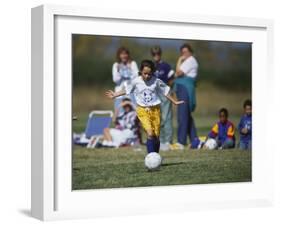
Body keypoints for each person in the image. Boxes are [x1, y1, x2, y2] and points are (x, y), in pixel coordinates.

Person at [106, 59, 184, 153]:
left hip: (155, 110)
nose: (147, 76)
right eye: (144, 73)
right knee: (150, 133)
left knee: (156, 136)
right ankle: (150, 156)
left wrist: (174, 101)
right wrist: (115, 94)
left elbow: (166, 91)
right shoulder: (136, 81)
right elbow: (126, 90)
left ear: (153, 73)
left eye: (149, 74)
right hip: (142, 110)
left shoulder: (156, 81)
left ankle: (155, 155)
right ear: (140, 72)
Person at [171, 43, 198, 150]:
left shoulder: (190, 60)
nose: (184, 54)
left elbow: (178, 73)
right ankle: (194, 140)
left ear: (190, 52)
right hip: (183, 88)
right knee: (187, 115)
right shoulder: (188, 61)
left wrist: (179, 60)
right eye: (182, 52)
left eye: (186, 52)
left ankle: (181, 142)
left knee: (182, 115)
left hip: (185, 89)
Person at [150, 46, 174, 151]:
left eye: (158, 53)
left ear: (160, 54)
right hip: (154, 94)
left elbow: (172, 78)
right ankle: (162, 140)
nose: (156, 56)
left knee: (166, 117)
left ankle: (168, 141)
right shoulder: (151, 66)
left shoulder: (165, 66)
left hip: (164, 94)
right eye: (154, 54)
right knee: (157, 118)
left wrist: (167, 89)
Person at [112, 47, 138, 111]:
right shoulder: (116, 65)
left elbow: (137, 77)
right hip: (119, 93)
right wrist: (118, 70)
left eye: (125, 54)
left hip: (131, 93)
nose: (124, 56)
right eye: (122, 54)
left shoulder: (133, 63)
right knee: (119, 113)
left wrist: (130, 69)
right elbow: (115, 80)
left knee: (134, 114)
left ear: (128, 55)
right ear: (119, 55)